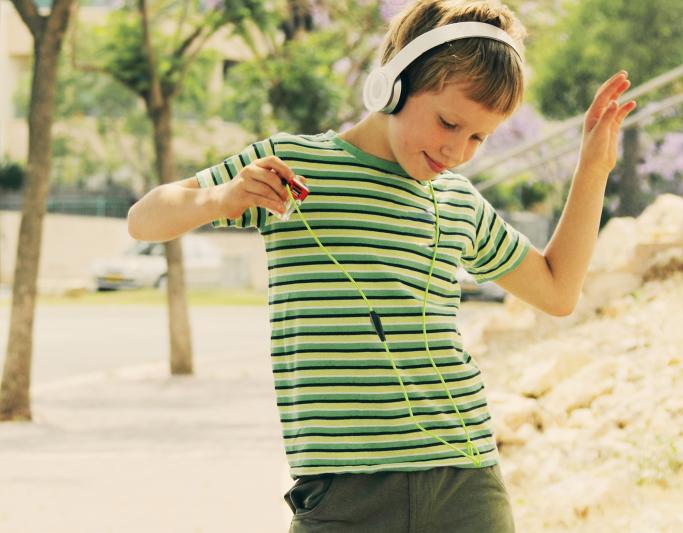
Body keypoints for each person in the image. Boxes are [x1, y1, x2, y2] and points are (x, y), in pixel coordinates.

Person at [127, 1, 635, 531]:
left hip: (464, 484)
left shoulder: (458, 201)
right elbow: (144, 220)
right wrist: (220, 198)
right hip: (342, 497)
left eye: (478, 137)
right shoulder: (292, 168)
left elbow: (557, 290)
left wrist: (593, 168)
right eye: (448, 122)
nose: (457, 151)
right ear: (392, 84)